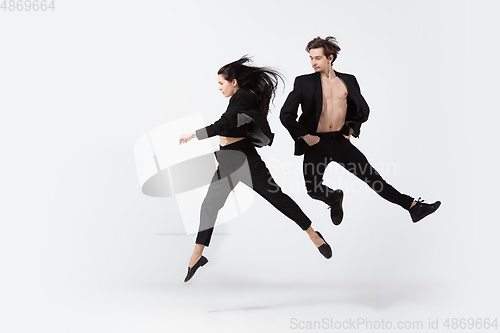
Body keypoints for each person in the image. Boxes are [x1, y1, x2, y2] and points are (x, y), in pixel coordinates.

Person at [178, 57, 332, 283]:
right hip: (227, 160)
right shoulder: (240, 97)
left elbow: (224, 123)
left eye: (222, 83)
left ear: (234, 82)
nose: (219, 88)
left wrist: (194, 135)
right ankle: (196, 256)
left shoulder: (243, 96)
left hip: (244, 159)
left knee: (276, 197)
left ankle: (313, 235)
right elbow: (232, 123)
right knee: (210, 205)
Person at [279, 36, 441, 226]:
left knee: (375, 180)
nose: (313, 62)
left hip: (340, 142)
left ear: (330, 58)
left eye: (318, 58)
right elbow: (286, 115)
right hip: (316, 144)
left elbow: (360, 109)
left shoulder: (348, 80)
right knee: (313, 190)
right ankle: (333, 197)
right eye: (311, 58)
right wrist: (306, 137)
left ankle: (414, 207)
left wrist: (352, 127)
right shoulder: (303, 82)